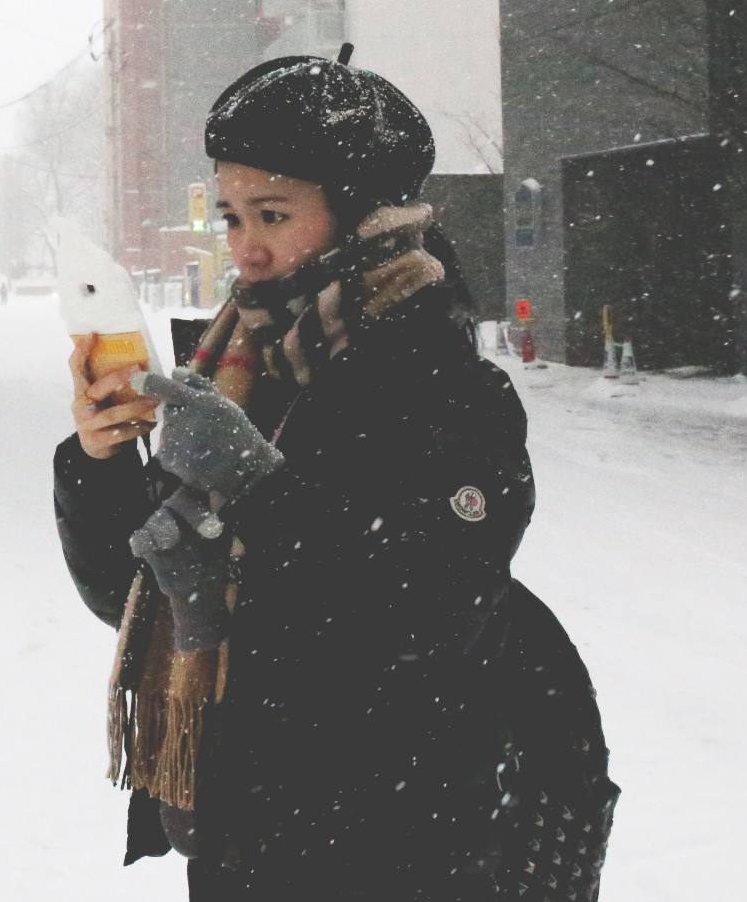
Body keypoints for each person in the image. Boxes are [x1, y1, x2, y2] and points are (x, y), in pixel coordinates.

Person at [54, 55, 617, 900]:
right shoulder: (242, 368)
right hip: (241, 840)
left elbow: (427, 607)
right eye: (232, 213)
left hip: (399, 848)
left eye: (274, 213)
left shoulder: (445, 386)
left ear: (363, 215)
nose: (247, 246)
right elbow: (124, 593)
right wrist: (100, 462)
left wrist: (257, 487)